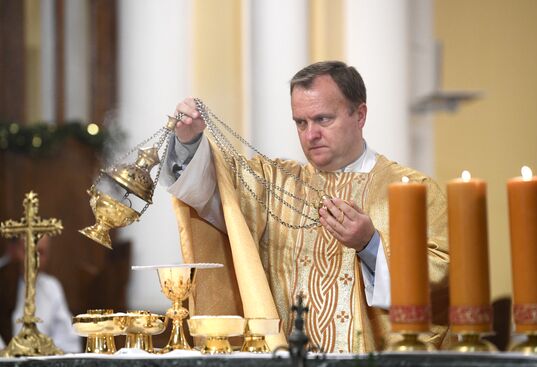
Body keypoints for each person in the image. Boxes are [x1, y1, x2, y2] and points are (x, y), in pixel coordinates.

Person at [164, 61, 449, 352]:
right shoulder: (276, 184)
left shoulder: (413, 190)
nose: (310, 135)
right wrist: (189, 143)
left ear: (360, 115)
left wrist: (370, 245)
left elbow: (443, 282)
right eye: (301, 122)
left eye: (323, 119)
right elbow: (218, 196)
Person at [5, 236, 81, 353]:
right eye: (29, 251)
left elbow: (68, 341)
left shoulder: (51, 287)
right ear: (13, 250)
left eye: (41, 252)